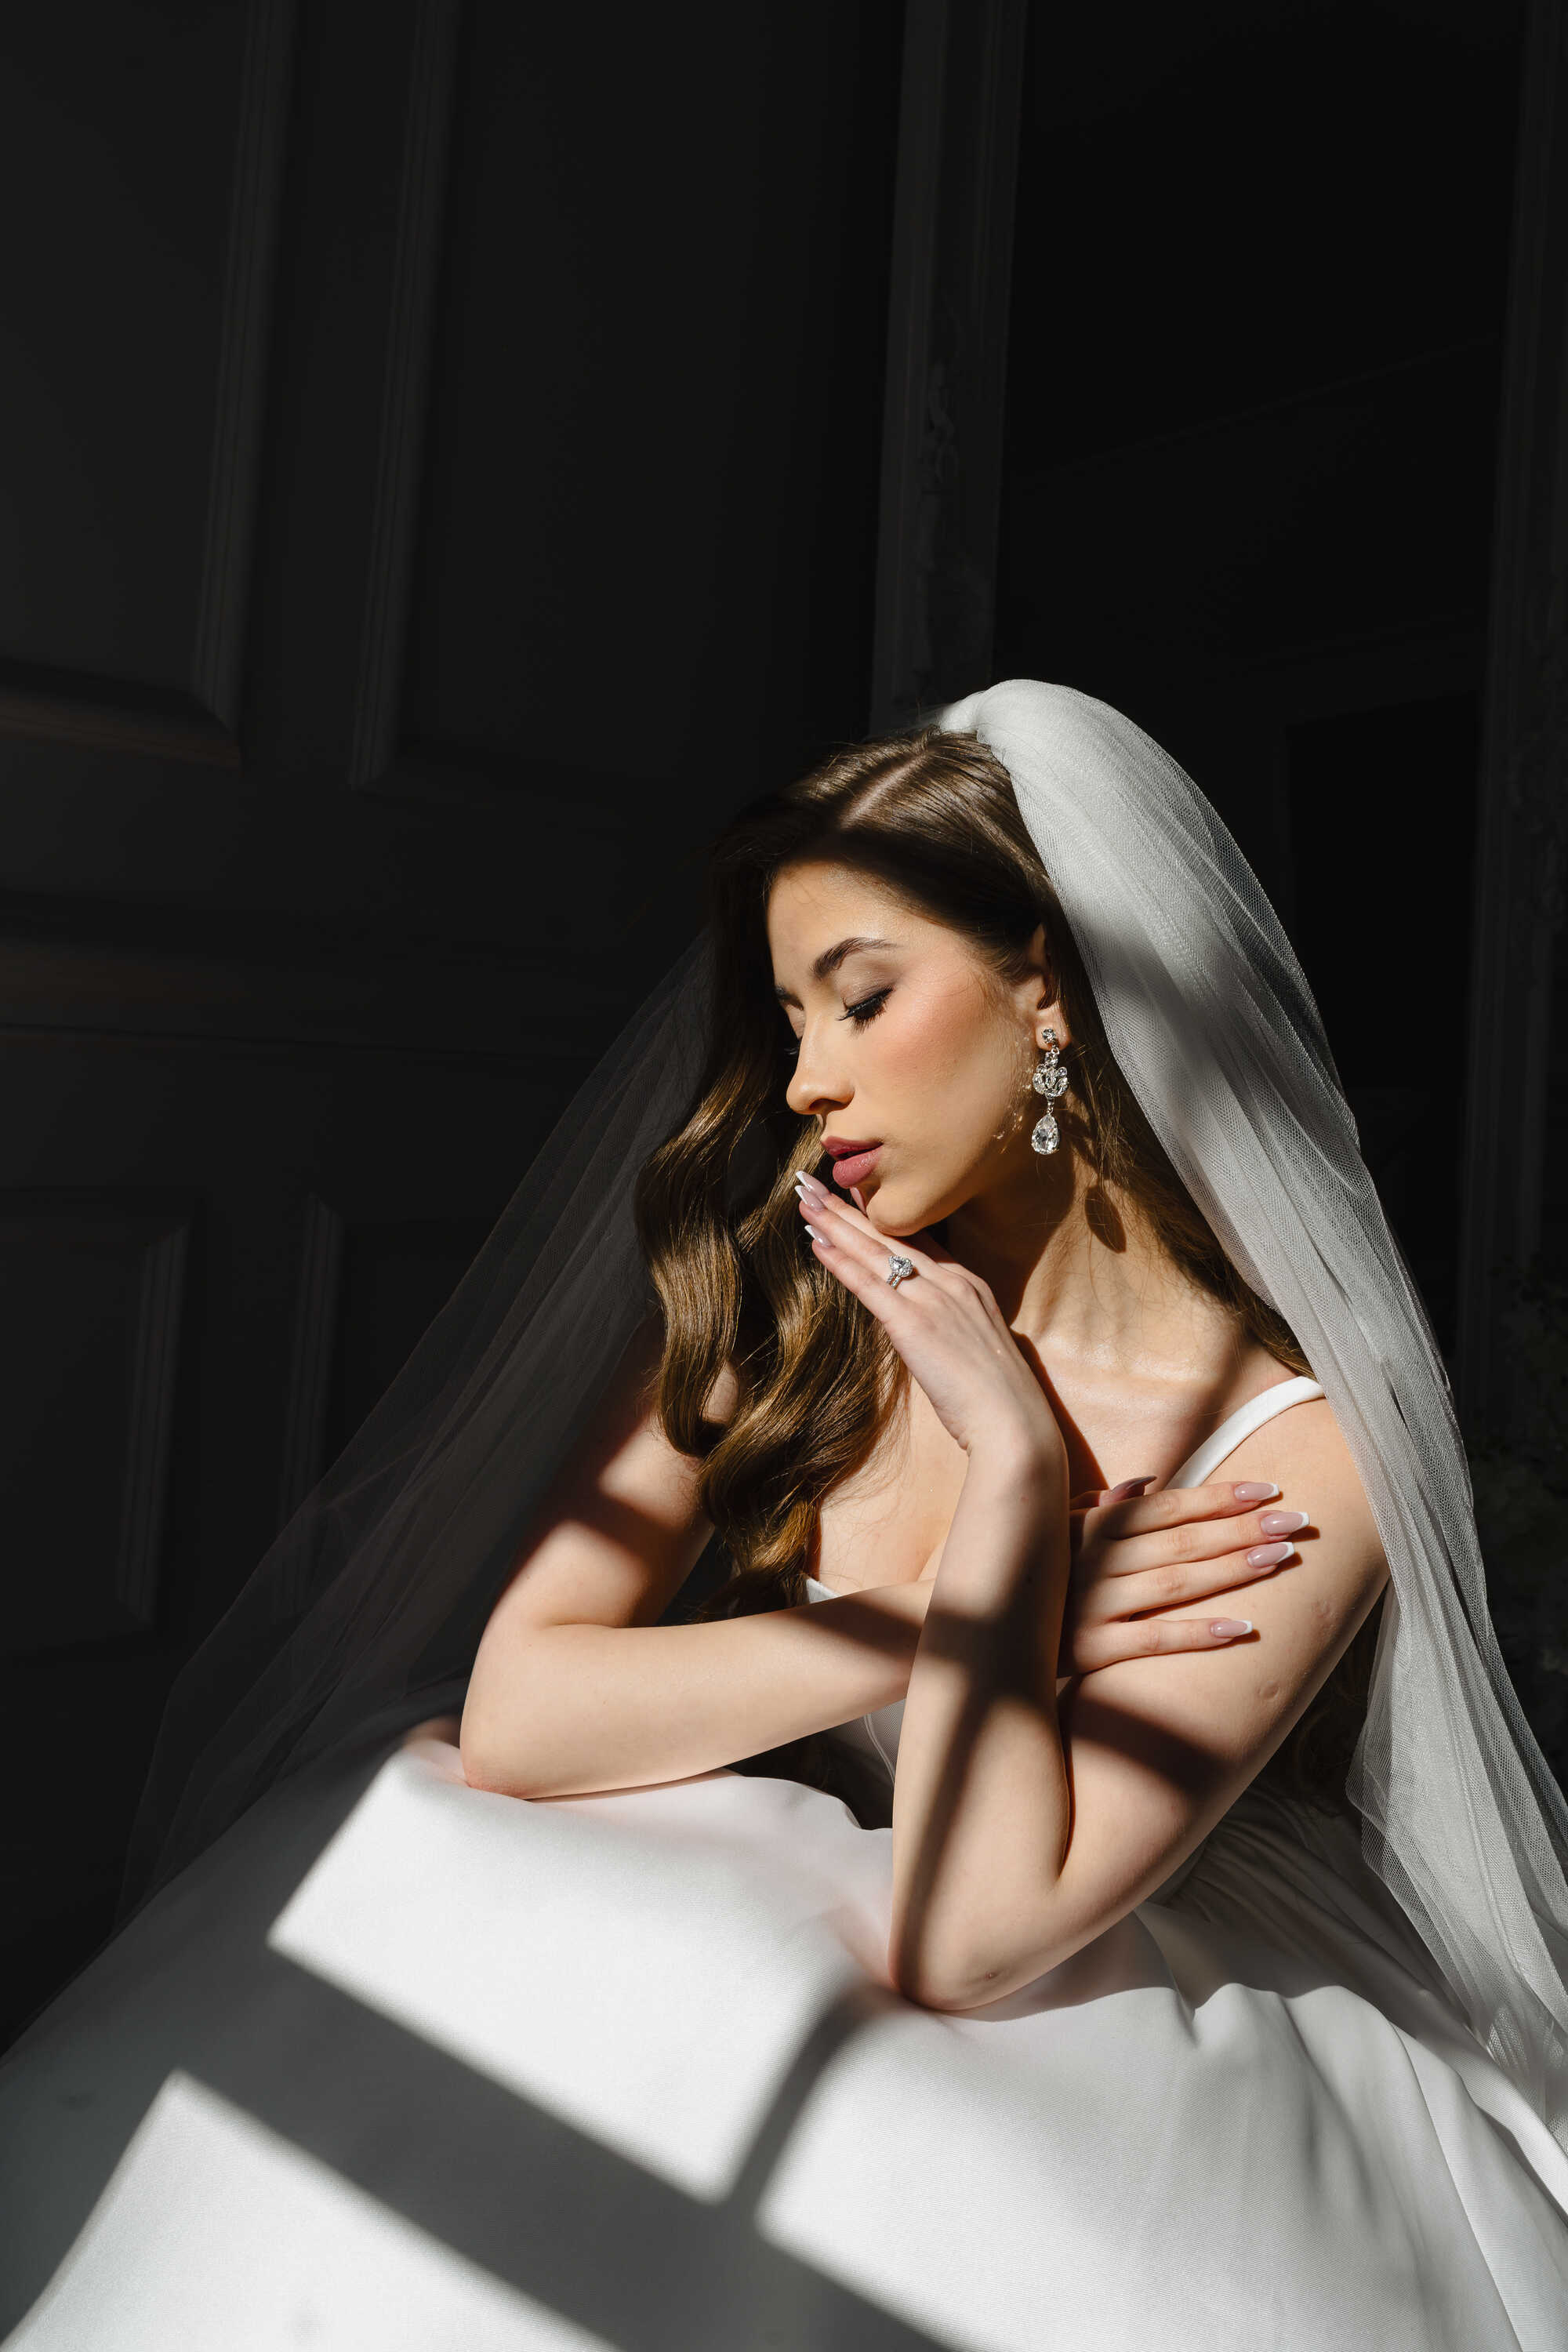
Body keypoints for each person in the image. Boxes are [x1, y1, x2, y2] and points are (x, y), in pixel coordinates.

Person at [2, 681, 1566, 2351]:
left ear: (1049, 990)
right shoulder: (789, 1290)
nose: (805, 1081)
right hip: (768, 1894)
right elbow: (522, 1715)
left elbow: (972, 1944)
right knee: (405, 1873)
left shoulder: (1291, 1451)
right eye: (787, 1018)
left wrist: (1015, 1467)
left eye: (860, 1000)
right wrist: (944, 1626)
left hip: (1107, 1998)